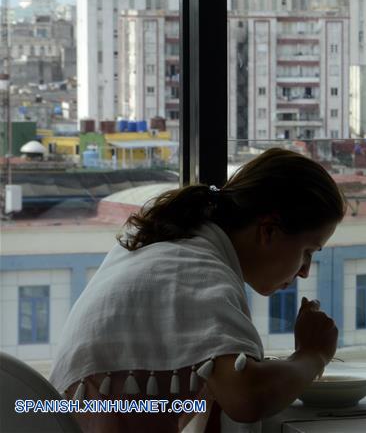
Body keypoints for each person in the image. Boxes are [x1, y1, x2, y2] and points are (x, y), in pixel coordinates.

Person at [49, 148, 346, 432]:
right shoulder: (196, 270)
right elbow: (246, 397)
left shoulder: (174, 249)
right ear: (268, 230)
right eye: (308, 251)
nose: (305, 271)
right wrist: (313, 354)